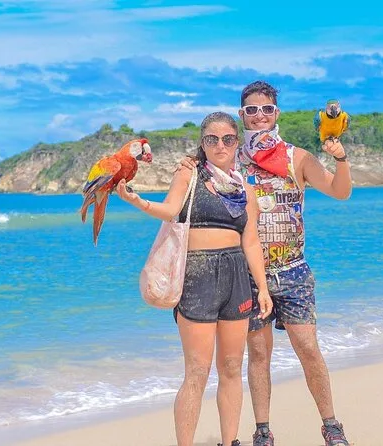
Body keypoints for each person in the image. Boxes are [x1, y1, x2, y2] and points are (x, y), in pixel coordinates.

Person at [180, 81, 353, 446]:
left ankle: (331, 425)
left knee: (308, 348)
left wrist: (340, 159)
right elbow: (196, 179)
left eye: (267, 109)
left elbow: (341, 191)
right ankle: (262, 431)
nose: (260, 116)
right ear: (241, 115)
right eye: (252, 110)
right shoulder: (230, 159)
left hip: (293, 270)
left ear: (277, 113)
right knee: (258, 354)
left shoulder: (296, 158)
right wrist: (188, 164)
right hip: (246, 274)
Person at [117, 111, 273, 446]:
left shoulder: (245, 189)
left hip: (236, 278)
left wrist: (262, 287)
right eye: (212, 139)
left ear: (237, 142)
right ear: (203, 143)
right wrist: (137, 200)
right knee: (197, 371)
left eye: (228, 139)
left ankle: (230, 441)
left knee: (231, 366)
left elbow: (251, 241)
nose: (220, 145)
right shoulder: (189, 174)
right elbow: (170, 210)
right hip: (197, 276)